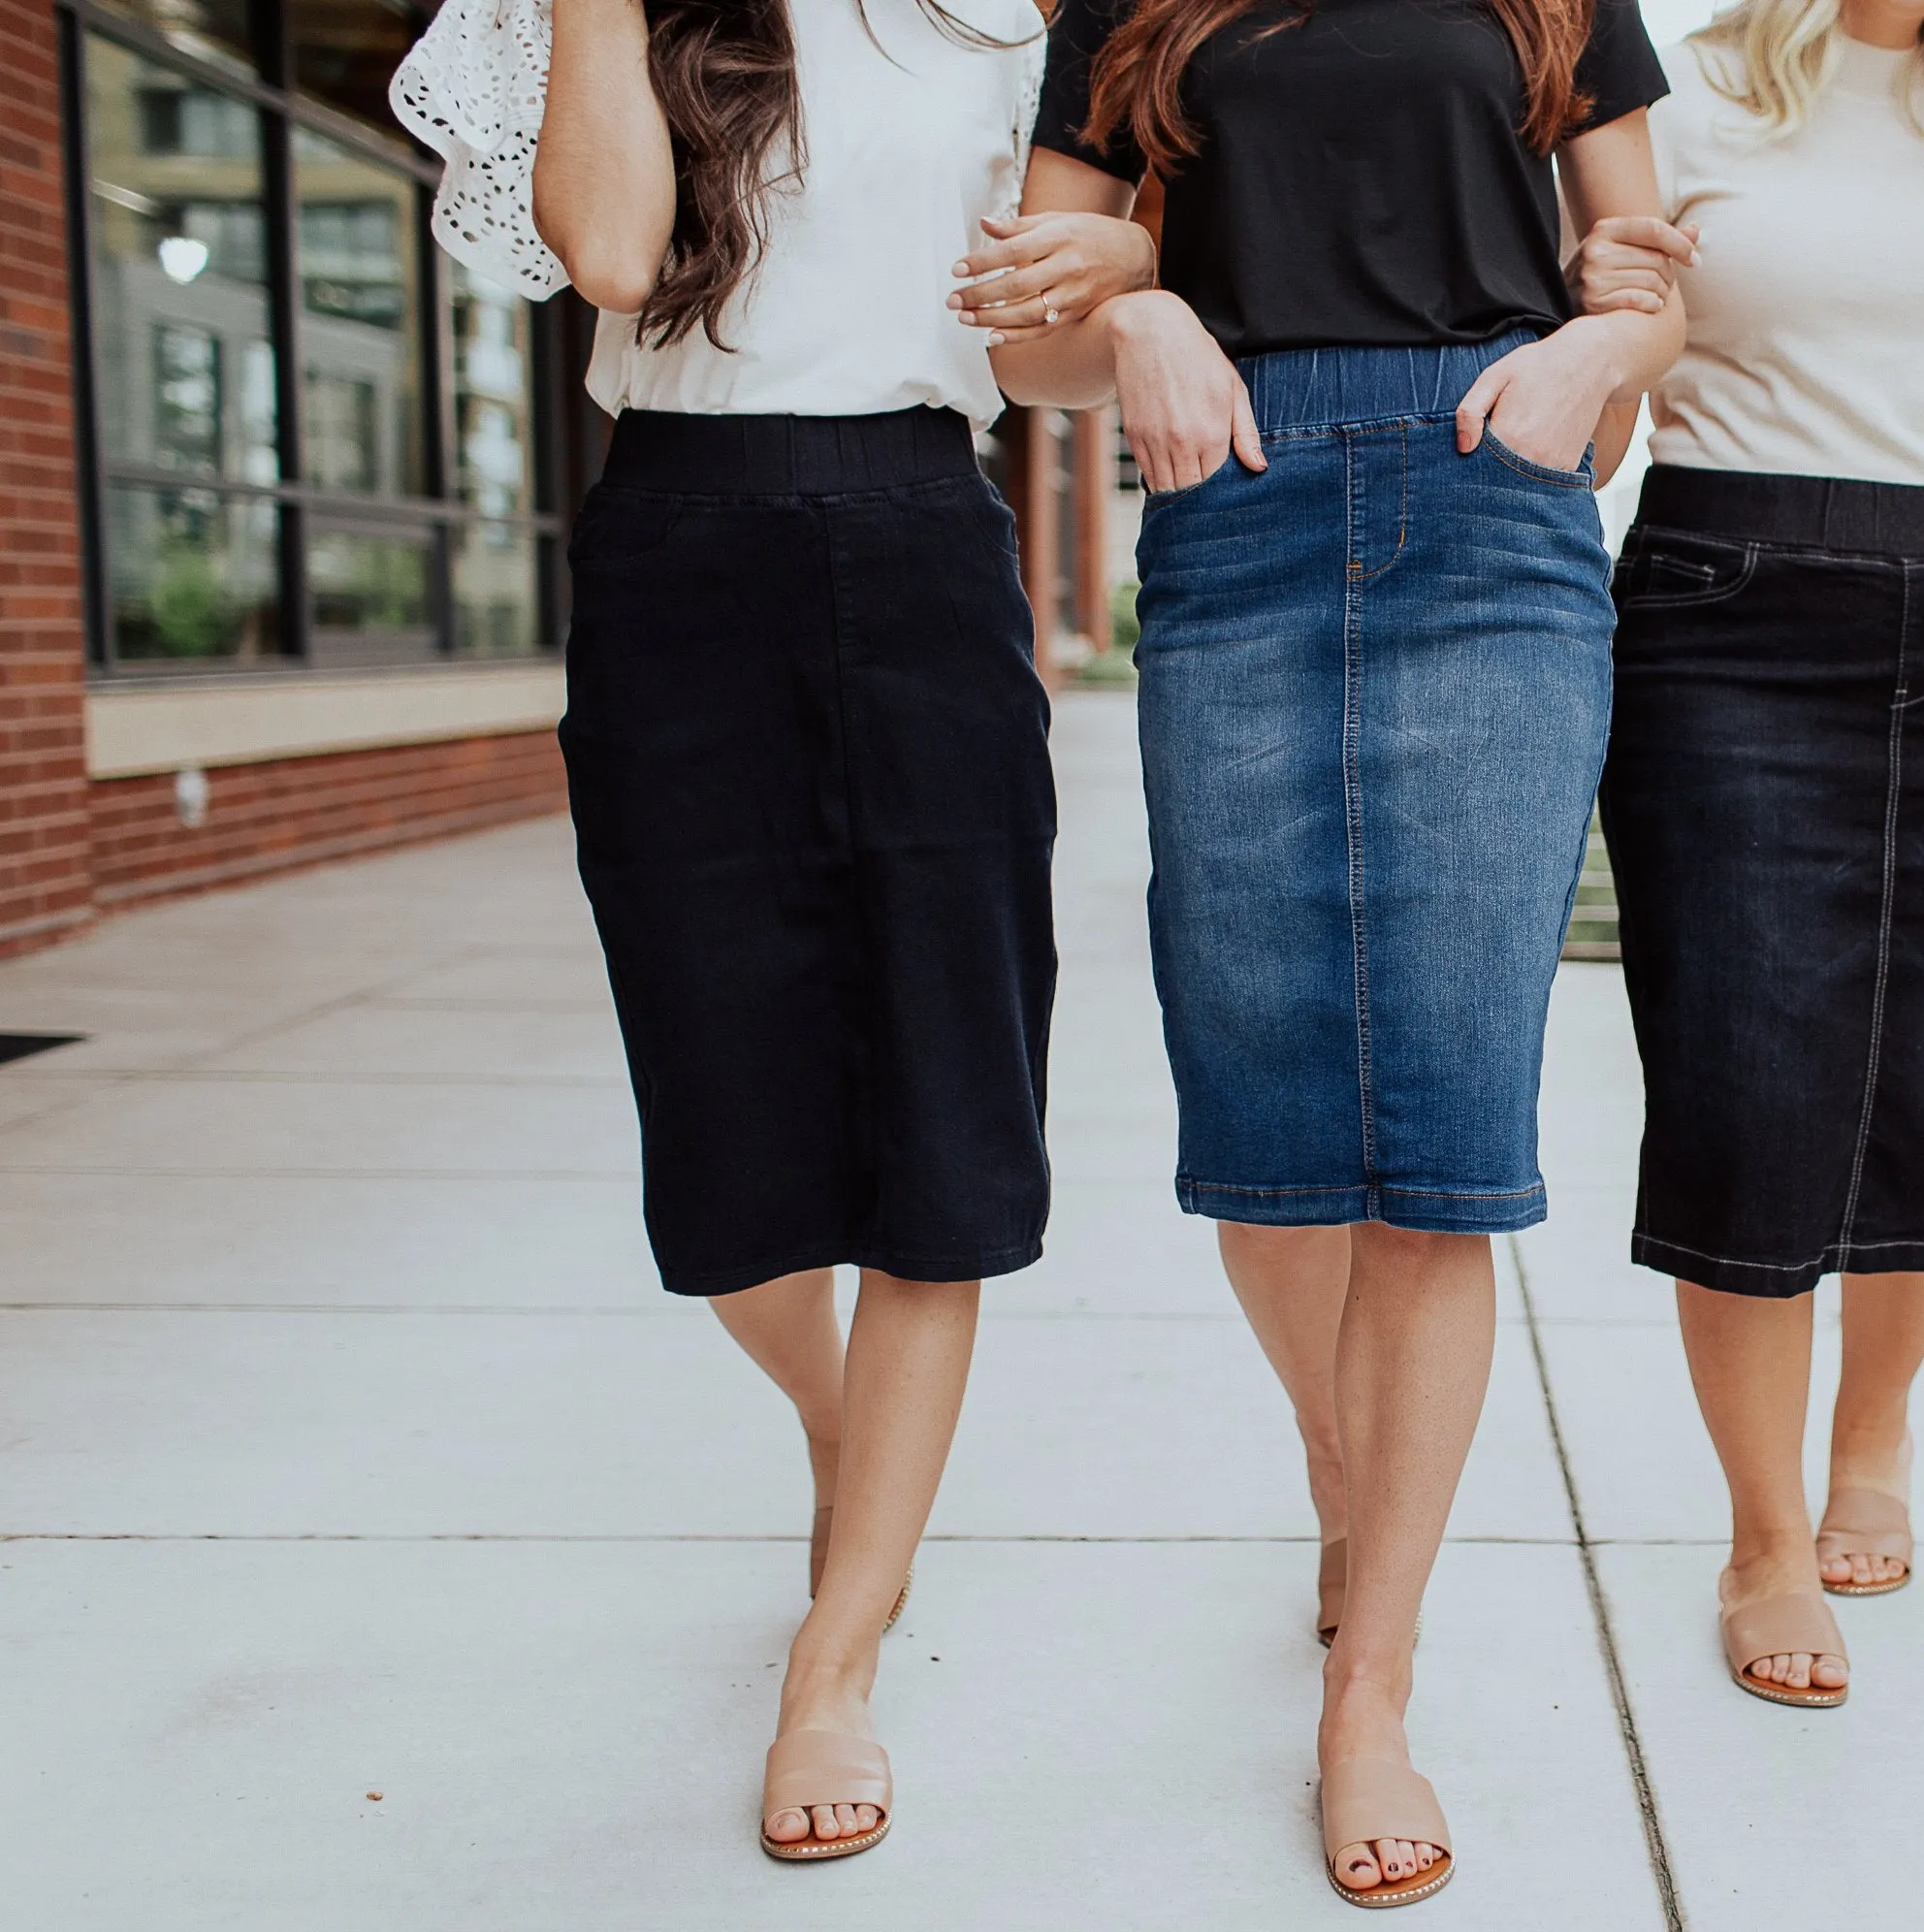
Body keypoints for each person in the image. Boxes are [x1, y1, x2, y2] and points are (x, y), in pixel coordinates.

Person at [392, 0, 1154, 1861]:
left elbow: (1043, 366)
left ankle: (834, 1656)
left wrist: (1129, 260)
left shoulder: (1016, 27)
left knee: (944, 1119)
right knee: (726, 1149)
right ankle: (846, 1438)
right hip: (677, 554)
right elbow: (613, 253)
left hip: (917, 539)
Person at [978, 0, 1684, 1901]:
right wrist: (1137, 312)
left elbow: (1659, 273)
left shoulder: (1554, 1)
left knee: (1441, 1134)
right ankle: (1341, 1458)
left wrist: (1597, 354)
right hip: (1237, 521)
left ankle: (1370, 1695)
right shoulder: (1125, 10)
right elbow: (1022, 323)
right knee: (1269, 1103)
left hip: (1498, 522)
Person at [1570, 0, 1924, 1708]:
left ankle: (1873, 1434)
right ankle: (1761, 1538)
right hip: (1732, 604)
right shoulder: (1679, 96)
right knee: (1748, 1088)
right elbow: (1616, 399)